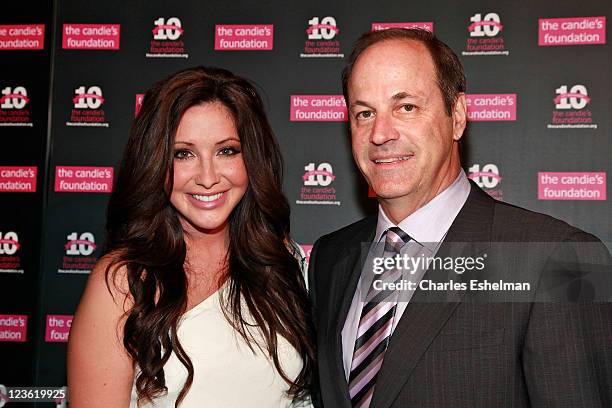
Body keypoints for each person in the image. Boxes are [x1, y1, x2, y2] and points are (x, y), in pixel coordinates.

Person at [308, 28, 611, 408]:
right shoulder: (329, 258)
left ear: (458, 115)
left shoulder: (564, 258)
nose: (380, 133)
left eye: (406, 107)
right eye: (364, 113)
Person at [67, 66, 315, 407]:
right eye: (183, 154)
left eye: (226, 150)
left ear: (252, 158)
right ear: (155, 162)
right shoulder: (124, 280)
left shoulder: (284, 263)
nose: (208, 177)